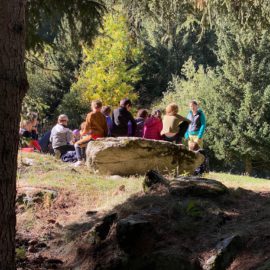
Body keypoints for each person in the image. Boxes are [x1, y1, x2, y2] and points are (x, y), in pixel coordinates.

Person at [74, 100, 108, 167]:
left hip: (93, 136)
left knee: (77, 144)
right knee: (84, 144)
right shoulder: (103, 116)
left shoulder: (90, 115)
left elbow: (86, 128)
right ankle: (84, 160)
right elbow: (106, 129)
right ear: (101, 107)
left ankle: (80, 161)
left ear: (92, 106)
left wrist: (81, 134)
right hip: (102, 137)